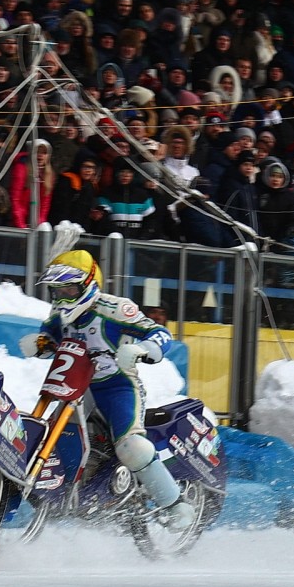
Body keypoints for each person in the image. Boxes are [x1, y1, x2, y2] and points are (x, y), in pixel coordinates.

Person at [29, 226, 196, 531]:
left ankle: (175, 504)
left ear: (89, 285)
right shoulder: (59, 313)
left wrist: (144, 349)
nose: (63, 297)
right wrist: (43, 343)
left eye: (69, 290)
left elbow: (158, 332)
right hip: (74, 387)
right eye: (57, 290)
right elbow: (50, 333)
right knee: (53, 434)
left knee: (132, 447)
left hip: (117, 386)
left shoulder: (115, 308)